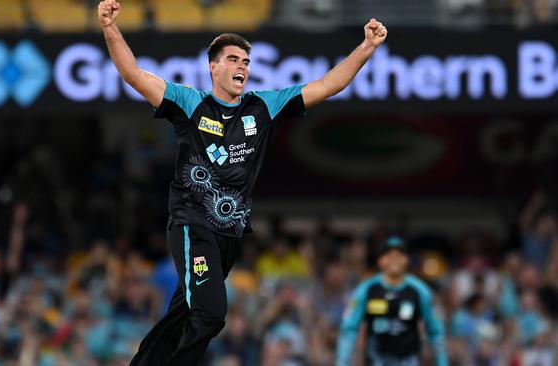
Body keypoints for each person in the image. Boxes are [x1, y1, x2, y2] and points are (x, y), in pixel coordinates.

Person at [97, 1, 388, 364]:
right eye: (234, 60)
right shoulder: (189, 103)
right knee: (211, 313)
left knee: (186, 312)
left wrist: (367, 48)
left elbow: (329, 84)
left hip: (230, 234)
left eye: (247, 62)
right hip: (193, 225)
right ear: (213, 67)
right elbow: (133, 74)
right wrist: (110, 28)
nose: (242, 67)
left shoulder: (264, 107)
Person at [336, 236, 449, 366]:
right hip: (376, 360)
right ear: (380, 261)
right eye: (389, 256)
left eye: (399, 256)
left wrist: (442, 362)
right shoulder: (366, 290)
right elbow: (349, 328)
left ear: (406, 260)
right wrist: (342, 362)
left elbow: (435, 330)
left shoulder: (420, 291)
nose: (394, 260)